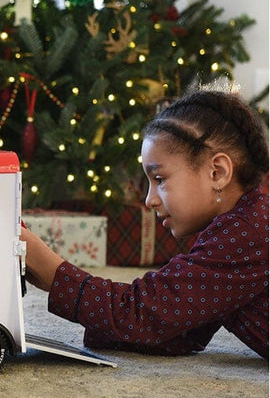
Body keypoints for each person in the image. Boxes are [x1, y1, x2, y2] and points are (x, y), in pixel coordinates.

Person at [21, 89, 268, 360]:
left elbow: (142, 313)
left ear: (217, 172)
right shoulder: (243, 224)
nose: (149, 200)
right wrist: (61, 288)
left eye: (159, 179)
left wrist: (51, 268)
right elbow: (176, 330)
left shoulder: (249, 232)